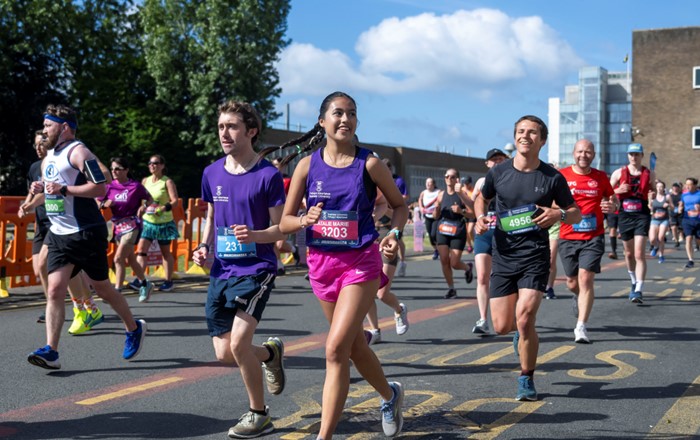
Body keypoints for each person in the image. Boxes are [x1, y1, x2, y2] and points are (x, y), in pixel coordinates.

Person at [279, 91, 407, 439]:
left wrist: (393, 233)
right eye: (337, 113)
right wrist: (305, 218)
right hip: (321, 265)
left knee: (335, 348)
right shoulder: (306, 165)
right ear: (322, 121)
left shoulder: (369, 164)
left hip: (360, 262)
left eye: (351, 114)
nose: (345, 119)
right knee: (353, 347)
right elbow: (287, 220)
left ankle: (324, 436)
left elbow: (399, 206)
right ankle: (390, 394)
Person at [192, 101, 286, 439]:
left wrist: (255, 235)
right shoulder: (211, 172)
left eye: (232, 126)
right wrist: (204, 246)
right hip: (221, 269)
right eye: (220, 127)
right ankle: (270, 354)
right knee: (224, 352)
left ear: (251, 131)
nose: (224, 133)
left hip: (257, 268)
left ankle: (258, 414)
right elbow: (211, 215)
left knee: (238, 344)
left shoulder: (268, 175)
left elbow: (282, 228)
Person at [27, 104, 146, 370]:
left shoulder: (79, 152)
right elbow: (51, 190)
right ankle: (51, 351)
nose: (44, 131)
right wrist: (40, 189)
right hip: (59, 234)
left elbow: (100, 188)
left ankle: (133, 327)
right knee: (55, 290)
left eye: (48, 125)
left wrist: (65, 189)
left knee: (102, 288)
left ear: (64, 127)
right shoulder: (48, 157)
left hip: (86, 232)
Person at [474, 115, 580, 401]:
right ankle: (521, 337)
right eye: (520, 131)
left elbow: (576, 212)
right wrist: (479, 218)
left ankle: (526, 377)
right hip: (504, 255)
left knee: (525, 318)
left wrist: (558, 213)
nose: (525, 136)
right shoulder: (499, 173)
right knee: (501, 326)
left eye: (532, 132)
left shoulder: (552, 177)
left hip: (535, 255)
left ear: (542, 141)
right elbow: (480, 198)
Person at [558, 139, 617, 343]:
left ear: (594, 154)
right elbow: (552, 202)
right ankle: (578, 296)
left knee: (585, 279)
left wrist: (612, 206)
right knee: (572, 282)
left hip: (593, 236)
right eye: (580, 151)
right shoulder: (562, 176)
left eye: (588, 152)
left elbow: (613, 199)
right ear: (574, 153)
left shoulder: (601, 177)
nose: (584, 155)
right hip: (567, 236)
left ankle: (581, 326)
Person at [100, 157, 154, 297]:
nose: (114, 172)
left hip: (132, 225)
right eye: (112, 169)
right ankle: (145, 283)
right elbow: (98, 199)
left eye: (117, 169)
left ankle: (117, 290)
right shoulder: (110, 186)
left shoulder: (135, 186)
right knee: (130, 259)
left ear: (126, 170)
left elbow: (150, 199)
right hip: (118, 226)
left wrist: (143, 207)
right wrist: (104, 204)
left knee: (118, 258)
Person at [609, 143, 656, 304]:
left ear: (642, 155)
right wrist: (617, 190)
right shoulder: (618, 173)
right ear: (628, 156)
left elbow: (653, 191)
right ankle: (633, 280)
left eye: (637, 154)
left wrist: (652, 193)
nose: (634, 157)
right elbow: (605, 192)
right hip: (624, 215)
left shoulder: (649, 174)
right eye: (631, 154)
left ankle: (638, 290)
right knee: (628, 254)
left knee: (638, 254)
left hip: (642, 214)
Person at [469, 148, 508, 335]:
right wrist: (479, 217)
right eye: (493, 160)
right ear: (487, 163)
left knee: (505, 277)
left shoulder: (511, 179)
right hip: (484, 233)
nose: (497, 162)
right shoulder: (481, 182)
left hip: (505, 233)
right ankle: (483, 319)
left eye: (501, 159)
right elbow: (473, 204)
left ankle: (511, 315)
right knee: (483, 276)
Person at [364, 190, 410, 345]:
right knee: (366, 292)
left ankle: (399, 310)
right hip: (367, 242)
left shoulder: (389, 196)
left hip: (386, 241)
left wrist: (380, 211)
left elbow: (402, 213)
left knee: (382, 294)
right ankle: (375, 330)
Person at [135, 154, 179, 296]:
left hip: (164, 223)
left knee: (165, 252)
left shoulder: (167, 182)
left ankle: (168, 280)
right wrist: (142, 206)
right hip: (148, 222)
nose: (152, 165)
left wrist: (163, 208)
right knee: (141, 250)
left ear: (162, 166)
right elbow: (142, 198)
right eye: (150, 163)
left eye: (155, 163)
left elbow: (175, 201)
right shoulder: (145, 181)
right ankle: (140, 280)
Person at [434, 168, 474, 299]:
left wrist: (460, 211)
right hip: (443, 228)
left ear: (457, 179)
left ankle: (467, 268)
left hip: (458, 229)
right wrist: (436, 209)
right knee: (444, 259)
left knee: (454, 263)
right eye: (446, 176)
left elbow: (473, 213)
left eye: (452, 177)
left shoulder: (462, 194)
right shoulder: (440, 195)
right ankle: (451, 288)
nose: (448, 179)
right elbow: (435, 216)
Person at [382, 158, 409, 277]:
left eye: (387, 169)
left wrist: (393, 198)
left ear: (390, 169)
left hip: (395, 213)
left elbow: (405, 196)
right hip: (381, 218)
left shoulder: (398, 181)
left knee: (398, 239)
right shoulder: (379, 180)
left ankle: (402, 261)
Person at [648, 180, 672, 263]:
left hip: (664, 220)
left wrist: (668, 205)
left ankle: (661, 255)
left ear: (664, 188)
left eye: (661, 187)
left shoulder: (667, 197)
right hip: (654, 219)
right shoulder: (652, 196)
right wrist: (650, 205)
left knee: (661, 237)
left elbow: (672, 207)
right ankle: (655, 247)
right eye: (657, 187)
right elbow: (649, 206)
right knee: (652, 239)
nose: (659, 188)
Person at [679, 177, 700, 268]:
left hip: (698, 219)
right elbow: (681, 205)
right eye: (686, 184)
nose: (687, 186)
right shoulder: (684, 195)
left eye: (690, 184)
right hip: (687, 219)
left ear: (695, 185)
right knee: (688, 238)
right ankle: (690, 260)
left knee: (698, 239)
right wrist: (680, 208)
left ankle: (697, 245)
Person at [418, 177, 440, 260]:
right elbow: (420, 199)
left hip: (436, 216)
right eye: (426, 182)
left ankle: (441, 249)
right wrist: (421, 207)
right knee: (430, 236)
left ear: (433, 184)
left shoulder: (438, 192)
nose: (427, 184)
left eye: (429, 182)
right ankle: (436, 250)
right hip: (427, 216)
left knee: (434, 234)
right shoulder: (423, 192)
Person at [668, 182, 684, 248]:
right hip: (672, 213)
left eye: (677, 187)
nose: (675, 188)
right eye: (674, 187)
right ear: (672, 188)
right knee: (673, 227)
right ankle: (676, 241)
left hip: (681, 213)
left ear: (679, 188)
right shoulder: (670, 196)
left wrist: (681, 206)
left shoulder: (682, 195)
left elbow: (684, 203)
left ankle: (681, 235)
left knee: (681, 228)